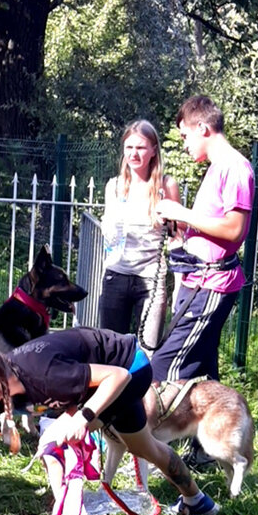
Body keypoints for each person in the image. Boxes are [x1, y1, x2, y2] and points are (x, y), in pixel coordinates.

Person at [0, 331, 220, 515]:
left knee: (54, 442)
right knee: (145, 448)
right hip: (100, 384)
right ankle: (198, 502)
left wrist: (83, 417)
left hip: (131, 368)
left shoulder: (42, 374)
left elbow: (119, 377)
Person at [150, 95, 254, 384]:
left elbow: (234, 230)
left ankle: (144, 430)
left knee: (162, 368)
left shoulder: (235, 167)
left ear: (203, 129)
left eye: (185, 135)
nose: (184, 143)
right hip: (199, 280)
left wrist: (181, 211)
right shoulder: (217, 167)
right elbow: (210, 227)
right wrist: (177, 223)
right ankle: (215, 430)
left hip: (211, 285)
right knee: (203, 371)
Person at [98, 120, 180, 352]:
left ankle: (145, 389)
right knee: (110, 351)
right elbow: (109, 232)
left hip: (151, 280)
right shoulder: (113, 186)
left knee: (149, 352)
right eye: (129, 147)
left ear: (154, 150)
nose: (134, 153)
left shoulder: (166, 186)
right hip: (116, 275)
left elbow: (178, 234)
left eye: (141, 148)